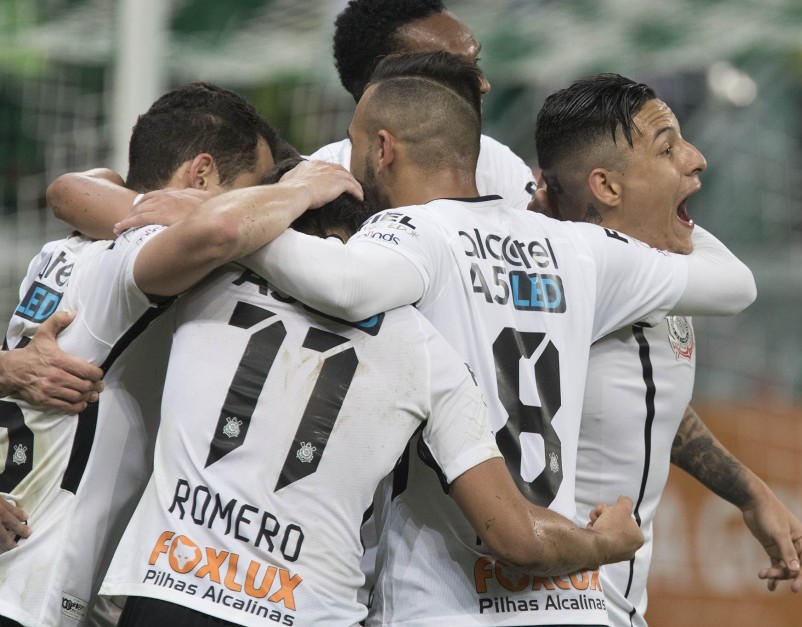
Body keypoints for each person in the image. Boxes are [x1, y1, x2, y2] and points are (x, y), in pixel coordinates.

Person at [131, 51, 753, 625]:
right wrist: (668, 218)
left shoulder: (413, 234)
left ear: (382, 149)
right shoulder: (579, 247)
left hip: (442, 597)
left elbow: (343, 284)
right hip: (561, 594)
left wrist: (210, 220)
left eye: (352, 147)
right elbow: (734, 285)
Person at [95, 157, 645, 627]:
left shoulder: (203, 269)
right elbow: (517, 540)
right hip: (312, 610)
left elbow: (75, 195)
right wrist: (607, 545)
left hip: (172, 587)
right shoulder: (430, 351)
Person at [0, 81, 315, 627]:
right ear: (202, 175)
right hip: (39, 582)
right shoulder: (137, 253)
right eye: (249, 187)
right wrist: (307, 188)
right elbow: (218, 230)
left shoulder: (63, 248)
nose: (255, 202)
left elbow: (82, 187)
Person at [532, 73, 802, 626]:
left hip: (592, 601)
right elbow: (739, 285)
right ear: (607, 188)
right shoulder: (603, 260)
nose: (696, 158)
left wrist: (749, 491)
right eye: (667, 148)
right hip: (567, 603)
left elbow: (645, 396)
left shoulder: (638, 262)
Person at [309, 0, 536, 209]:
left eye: (475, 62)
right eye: (454, 73)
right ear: (380, 91)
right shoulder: (315, 187)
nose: (483, 85)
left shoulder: (496, 160)